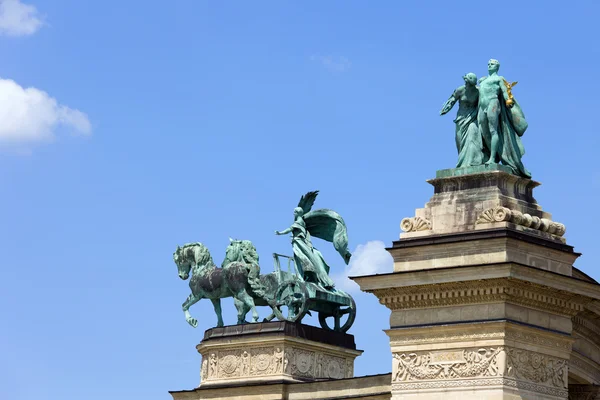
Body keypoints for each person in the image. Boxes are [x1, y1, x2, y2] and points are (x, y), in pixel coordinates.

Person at [477, 59, 531, 178]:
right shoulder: (483, 80)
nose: (489, 65)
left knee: (493, 130)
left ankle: (492, 159)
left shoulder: (499, 79)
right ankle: (490, 155)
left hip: (493, 103)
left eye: (492, 64)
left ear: (497, 67)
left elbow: (504, 91)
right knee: (483, 131)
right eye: (488, 64)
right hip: (482, 106)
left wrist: (508, 100)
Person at [275, 207, 336, 289]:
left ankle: (300, 277)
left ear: (298, 213)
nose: (293, 213)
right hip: (300, 242)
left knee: (298, 260)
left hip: (298, 243)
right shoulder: (302, 222)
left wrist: (280, 233)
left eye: (294, 212)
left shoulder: (298, 222)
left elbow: (289, 229)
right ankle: (302, 277)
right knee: (299, 259)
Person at [440, 72, 484, 167]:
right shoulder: (460, 90)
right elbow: (451, 100)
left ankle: (473, 162)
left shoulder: (478, 91)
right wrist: (445, 109)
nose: (466, 83)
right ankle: (462, 162)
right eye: (465, 81)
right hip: (461, 118)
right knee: (459, 140)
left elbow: (485, 101)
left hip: (473, 117)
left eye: (467, 81)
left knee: (472, 137)